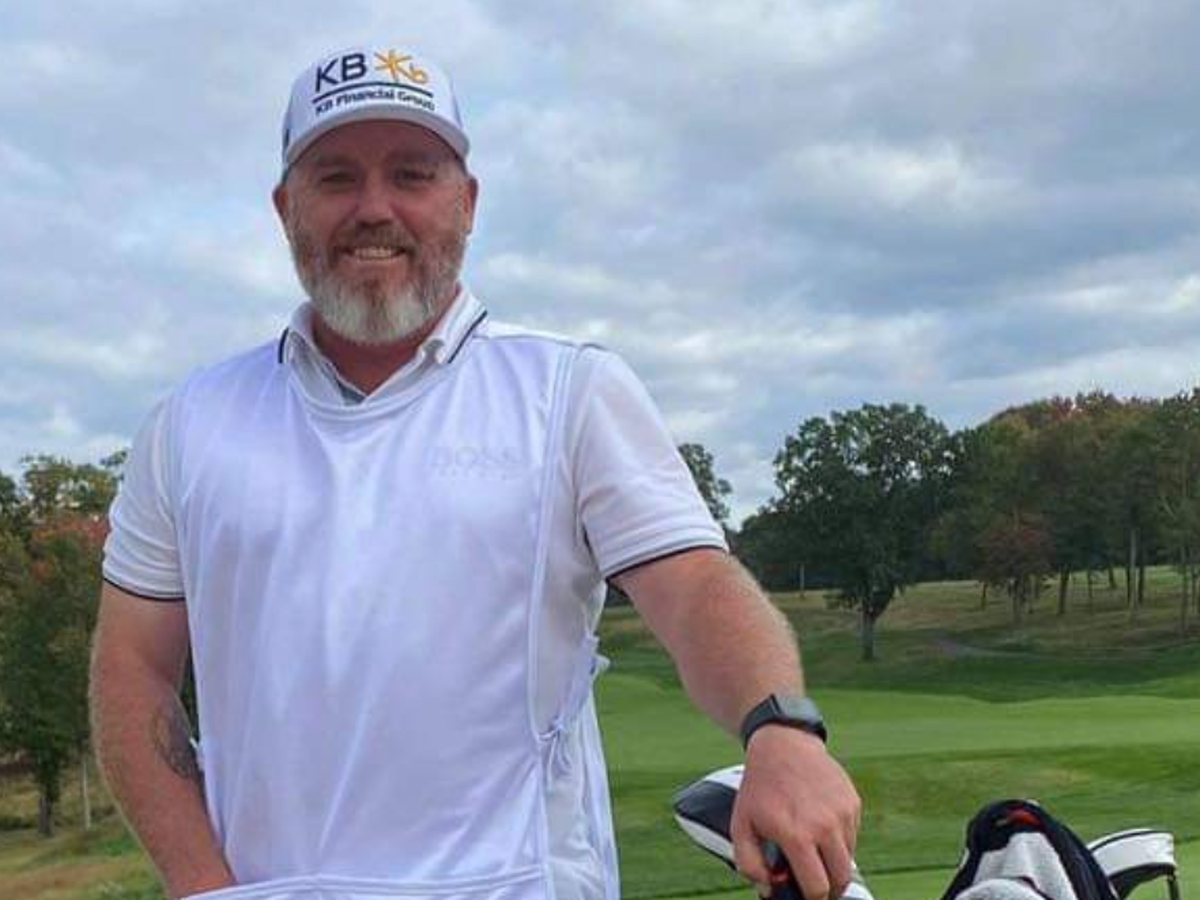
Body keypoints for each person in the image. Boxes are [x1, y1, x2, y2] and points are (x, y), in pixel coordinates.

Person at [89, 46, 860, 900]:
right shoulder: (191, 423)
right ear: (285, 208)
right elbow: (133, 667)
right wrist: (204, 887)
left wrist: (778, 728)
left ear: (467, 203)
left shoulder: (570, 390)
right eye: (337, 178)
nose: (373, 209)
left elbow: (694, 588)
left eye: (412, 175)